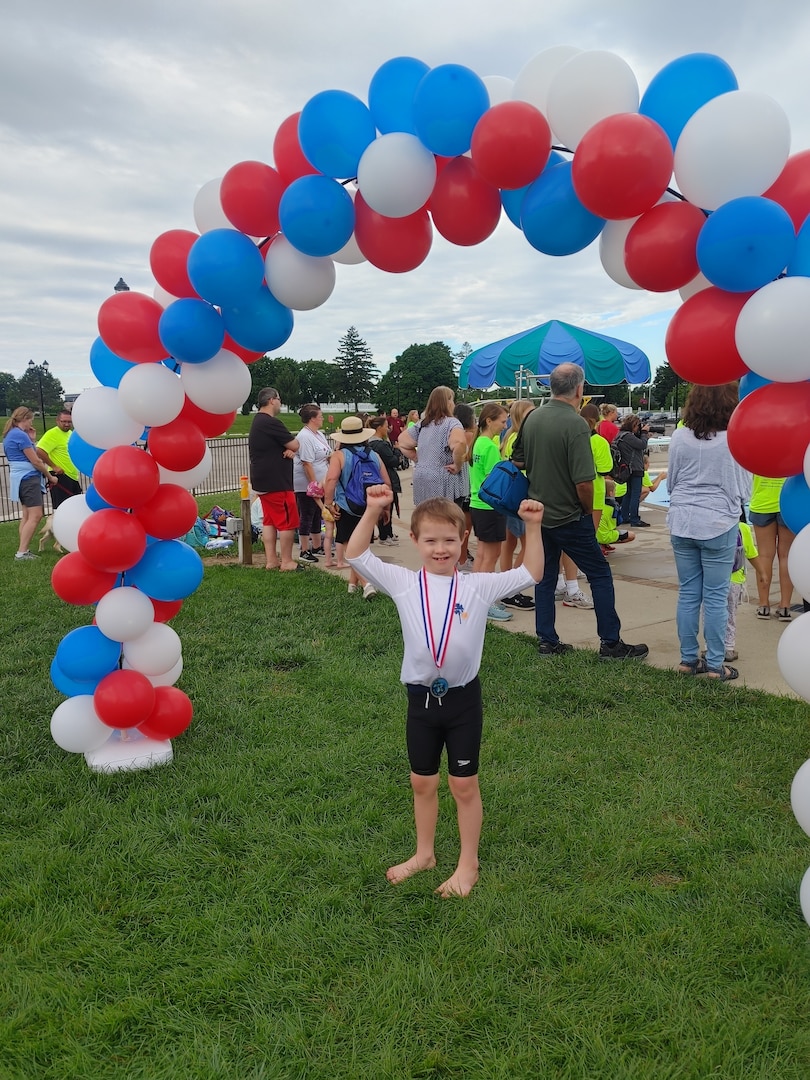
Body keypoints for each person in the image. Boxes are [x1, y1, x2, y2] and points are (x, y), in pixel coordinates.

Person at [345, 487, 545, 897]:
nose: (441, 549)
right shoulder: (402, 582)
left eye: (450, 540)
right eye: (431, 540)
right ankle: (424, 854)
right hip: (420, 701)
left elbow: (532, 573)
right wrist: (372, 510)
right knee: (422, 781)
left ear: (463, 541)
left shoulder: (477, 587)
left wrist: (533, 528)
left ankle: (467, 864)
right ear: (415, 541)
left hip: (462, 701)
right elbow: (356, 556)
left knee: (464, 785)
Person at [511, 362, 648, 660]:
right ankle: (610, 642)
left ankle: (547, 640)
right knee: (599, 574)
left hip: (540, 514)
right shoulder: (575, 424)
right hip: (570, 515)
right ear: (579, 389)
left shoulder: (532, 418)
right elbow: (584, 481)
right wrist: (587, 511)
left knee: (545, 578)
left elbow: (517, 460)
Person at [667, 382, 751, 681]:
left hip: (682, 520)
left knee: (688, 593)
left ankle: (688, 659)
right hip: (718, 522)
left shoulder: (679, 436)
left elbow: (672, 481)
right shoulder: (734, 440)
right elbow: (744, 488)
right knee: (715, 596)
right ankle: (715, 664)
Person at [469, 402, 526, 620]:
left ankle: (475, 597)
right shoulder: (490, 446)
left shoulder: (478, 443)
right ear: (489, 420)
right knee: (490, 556)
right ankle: (486, 602)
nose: (505, 425)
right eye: (502, 421)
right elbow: (497, 480)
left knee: (483, 554)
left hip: (477, 503)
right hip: (490, 506)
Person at [323, 415, 391, 597]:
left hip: (346, 506)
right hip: (369, 507)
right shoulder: (374, 455)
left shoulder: (338, 455)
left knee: (350, 549)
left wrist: (328, 504)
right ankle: (352, 585)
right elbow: (386, 482)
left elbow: (330, 479)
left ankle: (367, 584)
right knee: (362, 547)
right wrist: (385, 508)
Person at [248, 387, 301, 572]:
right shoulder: (271, 422)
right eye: (279, 399)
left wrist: (287, 449)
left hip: (262, 481)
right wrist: (291, 448)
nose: (280, 402)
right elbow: (295, 444)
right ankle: (286, 561)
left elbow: (285, 447)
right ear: (271, 400)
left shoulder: (257, 421)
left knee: (269, 520)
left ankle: (272, 561)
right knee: (287, 520)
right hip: (277, 481)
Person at [397, 386, 468, 507]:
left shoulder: (422, 424)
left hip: (423, 480)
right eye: (452, 400)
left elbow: (402, 441)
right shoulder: (452, 423)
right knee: (447, 520)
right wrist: (457, 465)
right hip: (444, 481)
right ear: (447, 402)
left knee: (426, 517)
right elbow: (459, 443)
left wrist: (418, 458)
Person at [3, 406, 57, 560]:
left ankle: (23, 549)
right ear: (25, 419)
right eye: (31, 419)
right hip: (28, 478)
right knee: (36, 515)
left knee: (27, 515)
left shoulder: (11, 434)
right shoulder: (20, 436)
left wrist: (32, 439)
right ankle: (21, 552)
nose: (32, 423)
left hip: (20, 478)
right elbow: (36, 461)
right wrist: (50, 476)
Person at [749, 476, 795, 621]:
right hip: (788, 501)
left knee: (764, 555)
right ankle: (785, 608)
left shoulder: (756, 451)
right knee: (787, 556)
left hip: (763, 500)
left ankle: (763, 606)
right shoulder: (793, 451)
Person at [293, 403, 331, 562]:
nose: (322, 418)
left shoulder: (319, 434)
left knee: (317, 515)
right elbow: (307, 463)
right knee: (307, 515)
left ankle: (317, 546)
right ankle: (304, 549)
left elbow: (327, 453)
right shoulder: (305, 436)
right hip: (307, 484)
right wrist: (314, 485)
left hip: (322, 482)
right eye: (320, 416)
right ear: (312, 419)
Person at [36, 408, 82, 507]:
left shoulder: (70, 434)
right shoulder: (52, 434)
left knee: (76, 506)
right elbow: (39, 450)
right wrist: (54, 466)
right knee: (62, 507)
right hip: (60, 475)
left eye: (69, 422)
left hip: (72, 476)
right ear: (57, 421)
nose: (66, 424)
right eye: (64, 421)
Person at [367, 415, 401, 545]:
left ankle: (388, 533)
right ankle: (384, 535)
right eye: (386, 426)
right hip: (385, 477)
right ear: (380, 428)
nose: (389, 429)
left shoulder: (371, 443)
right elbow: (392, 461)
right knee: (386, 506)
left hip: (376, 477)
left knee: (387, 506)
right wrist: (397, 451)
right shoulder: (380, 445)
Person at [614, 414, 651, 527]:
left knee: (629, 493)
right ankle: (635, 519)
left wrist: (642, 435)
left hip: (627, 468)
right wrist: (644, 434)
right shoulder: (628, 436)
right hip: (635, 467)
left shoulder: (620, 435)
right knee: (635, 494)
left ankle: (625, 516)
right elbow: (642, 445)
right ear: (634, 425)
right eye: (637, 426)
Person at [453, 402, 476, 571]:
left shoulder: (456, 434)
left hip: (461, 482)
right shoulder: (469, 435)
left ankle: (462, 556)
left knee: (462, 523)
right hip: (468, 482)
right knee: (466, 525)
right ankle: (462, 559)